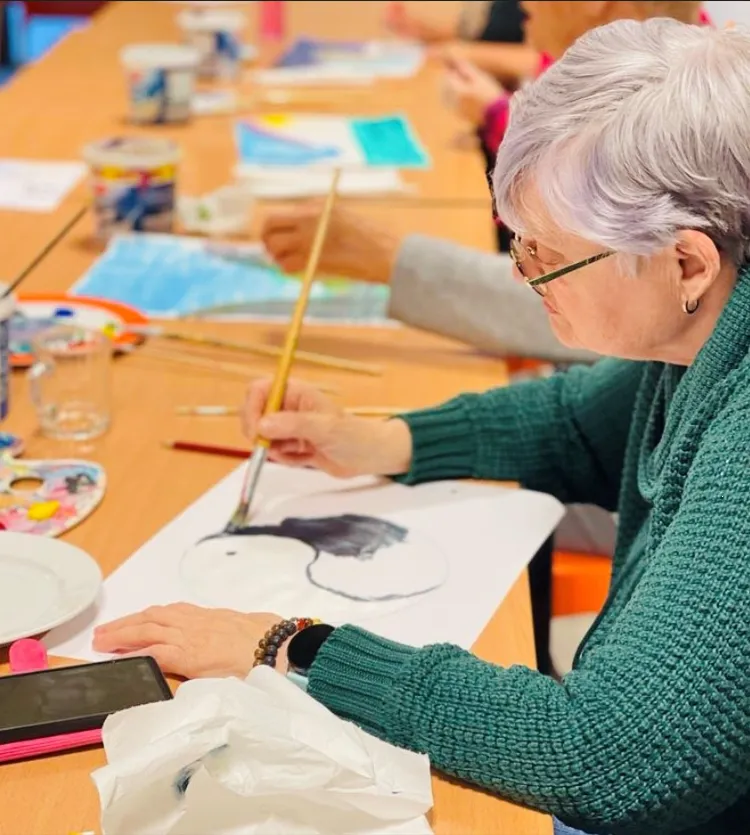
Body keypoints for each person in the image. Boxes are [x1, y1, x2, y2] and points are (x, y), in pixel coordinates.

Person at [95, 19, 750, 835]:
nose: (524, 275)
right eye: (519, 243)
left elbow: (605, 753)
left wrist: (286, 647)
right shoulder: (702, 325)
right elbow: (575, 424)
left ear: (687, 262)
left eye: (547, 256)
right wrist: (379, 440)